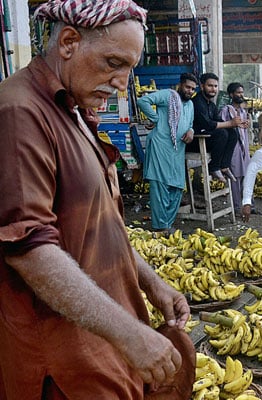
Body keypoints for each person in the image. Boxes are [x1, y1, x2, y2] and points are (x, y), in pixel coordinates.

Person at [0, 1, 194, 398]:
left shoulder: (72, 110)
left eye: (129, 68)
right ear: (69, 42)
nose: (123, 82)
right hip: (64, 361)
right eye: (113, 62)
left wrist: (150, 282)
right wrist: (131, 336)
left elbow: (96, 223)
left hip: (103, 343)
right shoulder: (18, 112)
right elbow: (30, 250)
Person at [137, 73, 197, 234]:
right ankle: (160, 226)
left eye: (192, 88)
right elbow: (143, 101)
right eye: (187, 87)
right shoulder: (168, 95)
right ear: (180, 85)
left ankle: (167, 223)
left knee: (177, 187)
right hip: (160, 146)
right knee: (160, 186)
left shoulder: (190, 104)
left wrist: (191, 131)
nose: (190, 91)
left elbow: (190, 123)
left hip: (177, 150)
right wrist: (156, 119)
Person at [190, 72, 238, 182]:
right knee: (222, 133)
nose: (213, 89)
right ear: (202, 86)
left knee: (232, 133)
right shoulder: (197, 102)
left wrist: (236, 124)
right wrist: (230, 123)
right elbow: (207, 124)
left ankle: (224, 165)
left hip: (209, 140)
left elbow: (219, 121)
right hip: (195, 141)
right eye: (210, 86)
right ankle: (214, 167)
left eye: (215, 86)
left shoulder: (211, 104)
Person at [220, 82, 251, 214]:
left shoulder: (243, 111)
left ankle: (248, 205)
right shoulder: (226, 110)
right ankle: (237, 208)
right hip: (233, 147)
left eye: (242, 92)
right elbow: (222, 128)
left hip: (244, 147)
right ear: (231, 94)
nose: (240, 95)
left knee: (247, 176)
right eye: (238, 92)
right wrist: (233, 124)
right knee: (235, 177)